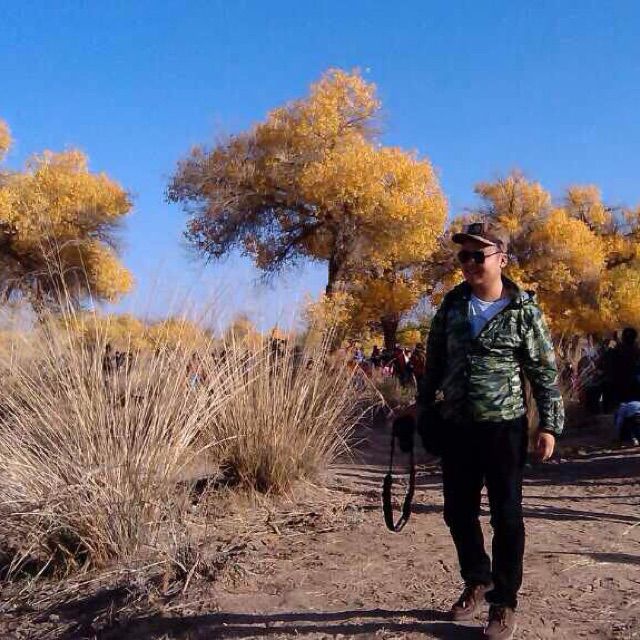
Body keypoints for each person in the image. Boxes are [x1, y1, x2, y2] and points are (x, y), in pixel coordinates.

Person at [415, 221, 564, 639]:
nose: (469, 262)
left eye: (477, 255)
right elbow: (435, 362)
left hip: (504, 429)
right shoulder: (452, 305)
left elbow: (544, 373)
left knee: (507, 516)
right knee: (458, 512)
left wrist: (549, 425)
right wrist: (421, 407)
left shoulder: (524, 311)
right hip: (458, 426)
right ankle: (477, 579)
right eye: (463, 255)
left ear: (501, 259)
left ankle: (504, 602)